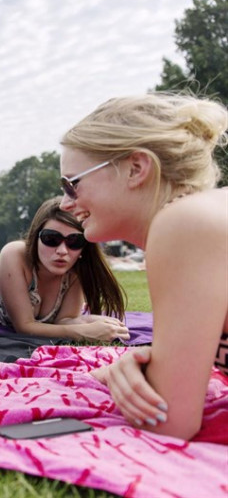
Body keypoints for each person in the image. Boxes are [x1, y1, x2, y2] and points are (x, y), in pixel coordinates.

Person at [59, 92, 228, 441]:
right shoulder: (203, 218)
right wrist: (157, 362)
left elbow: (169, 422)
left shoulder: (184, 222)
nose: (65, 203)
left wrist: (141, 380)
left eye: (72, 184)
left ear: (136, 168)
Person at [0, 200, 129, 342]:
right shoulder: (14, 254)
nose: (62, 251)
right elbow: (25, 327)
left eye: (75, 241)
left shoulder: (75, 270)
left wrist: (91, 321)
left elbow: (63, 321)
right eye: (51, 239)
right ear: (35, 237)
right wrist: (84, 332)